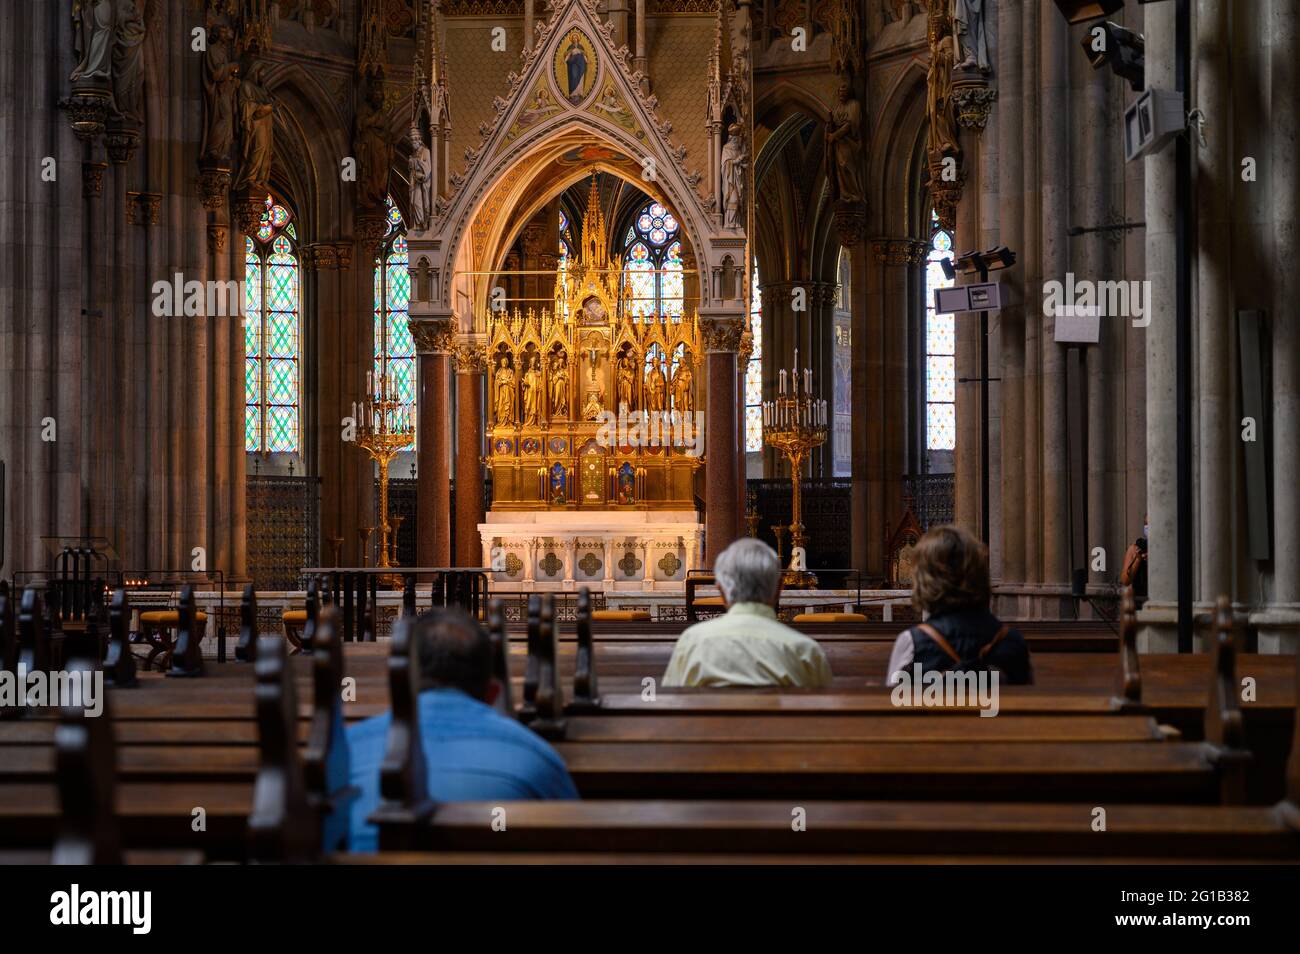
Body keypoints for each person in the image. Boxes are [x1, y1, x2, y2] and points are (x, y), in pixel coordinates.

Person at [346, 608, 578, 852]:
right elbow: (573, 841)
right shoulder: (537, 757)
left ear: (398, 682)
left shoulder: (347, 752)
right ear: (493, 693)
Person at [663, 538, 832, 689]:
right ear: (779, 588)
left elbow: (671, 705)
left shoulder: (692, 642)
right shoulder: (805, 650)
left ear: (721, 591)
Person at [886, 525, 1033, 685]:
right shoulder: (1013, 641)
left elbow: (893, 705)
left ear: (925, 580)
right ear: (981, 574)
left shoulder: (912, 643)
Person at [1120, 514, 1149, 607]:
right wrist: (1138, 559)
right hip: (1140, 600)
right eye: (1146, 524)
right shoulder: (1136, 548)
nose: (1148, 527)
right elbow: (1125, 580)